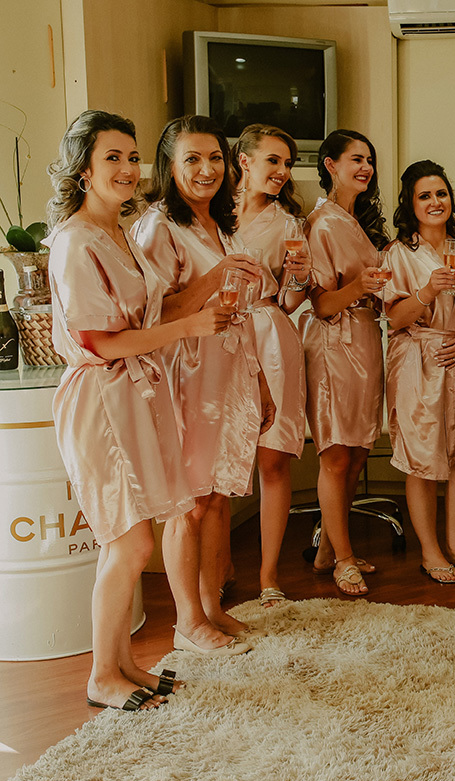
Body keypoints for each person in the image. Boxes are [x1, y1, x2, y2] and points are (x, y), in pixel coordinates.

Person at [45, 111, 231, 710]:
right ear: (83, 169)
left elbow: (153, 311)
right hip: (101, 397)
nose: (127, 169)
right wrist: (191, 329)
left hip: (133, 392)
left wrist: (199, 305)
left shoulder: (119, 233)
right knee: (128, 544)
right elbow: (101, 341)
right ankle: (102, 675)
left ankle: (123, 664)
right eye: (112, 158)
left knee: (128, 541)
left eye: (131, 157)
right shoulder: (75, 240)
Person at [133, 115, 270, 653]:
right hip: (184, 374)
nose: (207, 169)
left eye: (215, 157)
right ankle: (187, 621)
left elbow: (240, 314)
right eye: (192, 159)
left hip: (228, 373)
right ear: (169, 167)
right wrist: (215, 277)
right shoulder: (159, 227)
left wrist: (259, 382)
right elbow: (153, 315)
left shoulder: (222, 225)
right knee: (189, 503)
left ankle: (212, 607)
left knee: (216, 498)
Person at [383, 160, 455, 584]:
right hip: (419, 359)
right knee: (423, 459)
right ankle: (430, 550)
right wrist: (428, 291)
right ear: (411, 204)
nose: (435, 202)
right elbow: (394, 318)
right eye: (424, 195)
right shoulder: (398, 254)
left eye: (441, 193)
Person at [301, 129, 389, 597]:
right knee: (336, 454)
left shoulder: (356, 221)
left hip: (366, 340)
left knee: (356, 453)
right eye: (356, 159)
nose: (366, 167)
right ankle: (344, 558)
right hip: (335, 344)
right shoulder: (322, 223)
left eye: (369, 160)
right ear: (330, 164)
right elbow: (320, 304)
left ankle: (327, 550)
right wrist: (360, 288)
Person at [232, 124, 312, 608]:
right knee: (218, 455)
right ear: (244, 161)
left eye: (288, 164)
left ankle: (268, 574)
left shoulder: (288, 224)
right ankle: (216, 566)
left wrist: (299, 279)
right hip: (217, 334)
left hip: (270, 333)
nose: (283, 171)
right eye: (273, 161)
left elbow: (290, 301)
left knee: (273, 456)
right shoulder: (211, 214)